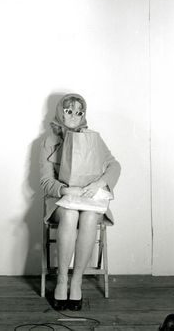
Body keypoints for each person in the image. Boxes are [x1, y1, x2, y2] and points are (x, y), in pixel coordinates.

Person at [39, 93, 121, 311]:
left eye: (79, 112)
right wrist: (66, 189)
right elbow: (46, 182)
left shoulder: (91, 138)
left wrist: (99, 184)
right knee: (70, 213)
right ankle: (62, 280)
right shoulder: (50, 141)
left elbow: (115, 165)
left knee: (90, 215)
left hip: (87, 199)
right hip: (61, 200)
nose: (74, 116)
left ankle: (76, 281)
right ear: (60, 112)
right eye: (69, 111)